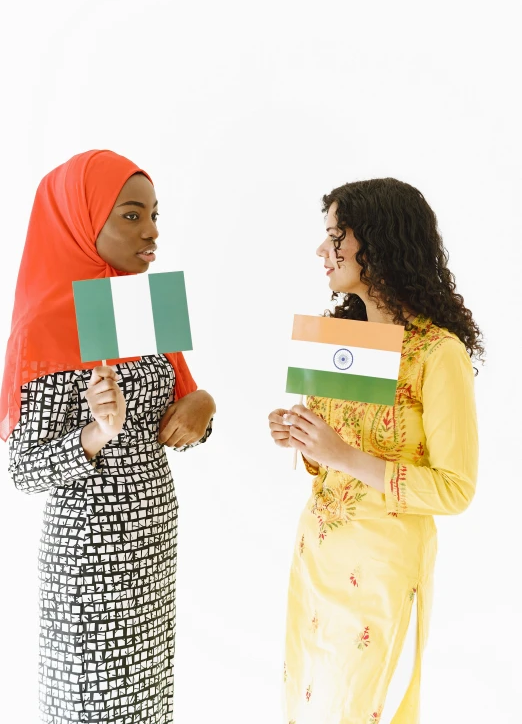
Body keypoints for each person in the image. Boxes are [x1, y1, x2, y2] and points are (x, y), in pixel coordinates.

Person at [1, 149, 216, 724]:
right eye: (131, 215)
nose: (151, 232)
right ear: (81, 219)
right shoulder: (44, 322)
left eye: (155, 216)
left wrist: (203, 405)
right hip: (90, 560)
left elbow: (180, 410)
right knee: (90, 704)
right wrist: (97, 433)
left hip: (152, 545)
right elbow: (22, 471)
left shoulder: (142, 303)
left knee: (148, 704)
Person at [268, 178, 482, 724]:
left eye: (335, 236)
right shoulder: (342, 340)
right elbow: (325, 461)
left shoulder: (439, 354)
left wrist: (343, 456)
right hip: (316, 558)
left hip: (381, 571)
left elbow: (456, 489)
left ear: (379, 242)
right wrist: (301, 436)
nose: (322, 250)